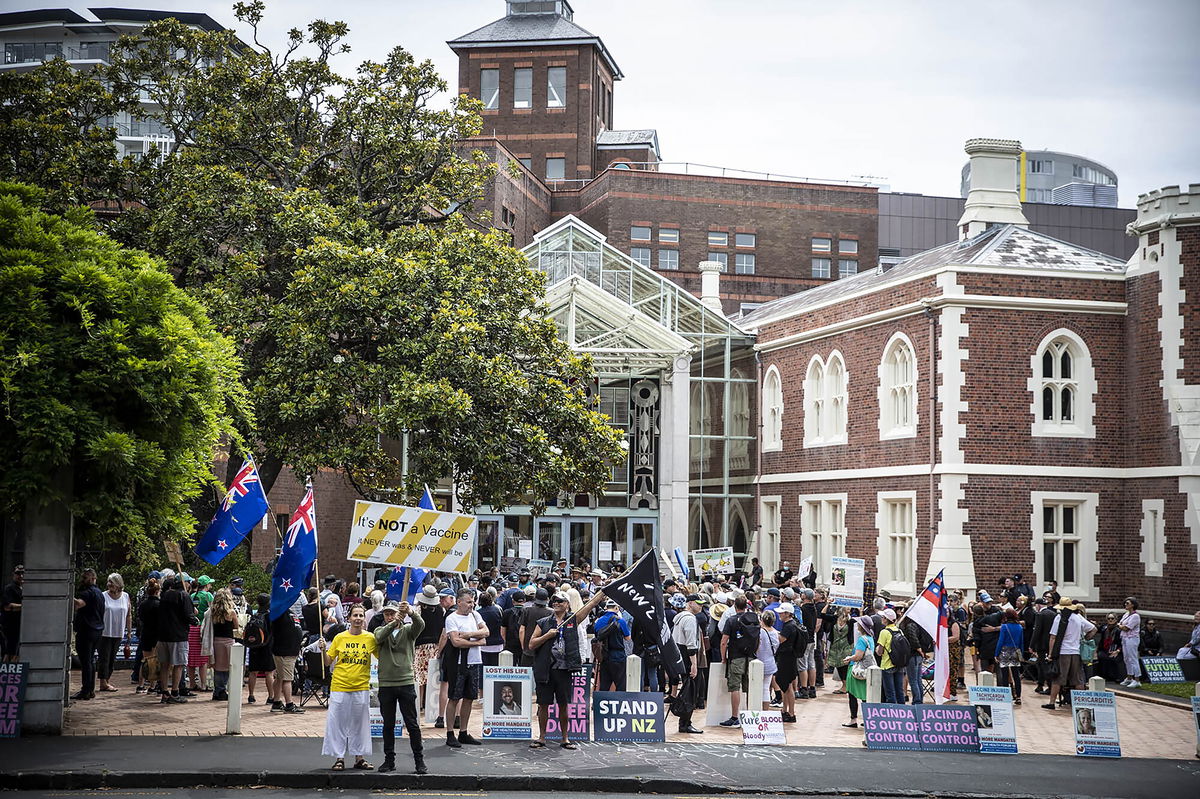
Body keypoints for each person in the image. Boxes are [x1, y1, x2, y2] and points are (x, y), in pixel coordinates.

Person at [528, 590, 603, 750]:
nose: (556, 603)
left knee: (564, 705)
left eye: (560, 601)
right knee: (543, 704)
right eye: (554, 600)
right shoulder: (543, 622)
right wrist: (546, 636)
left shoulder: (572, 620)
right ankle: (542, 737)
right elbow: (531, 644)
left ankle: (565, 738)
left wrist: (604, 592)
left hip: (564, 670)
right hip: (545, 670)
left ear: (567, 604)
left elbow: (591, 605)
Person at [322, 603, 377, 770]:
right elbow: (327, 662)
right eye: (355, 615)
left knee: (359, 724)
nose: (358, 619)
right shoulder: (340, 638)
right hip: (339, 686)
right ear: (349, 618)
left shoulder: (370, 638)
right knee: (338, 723)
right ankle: (339, 758)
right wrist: (323, 649)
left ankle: (359, 758)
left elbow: (383, 656)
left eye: (361, 616)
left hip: (361, 687)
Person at [374, 599, 426, 774]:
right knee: (388, 724)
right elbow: (379, 637)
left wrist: (410, 612)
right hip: (387, 683)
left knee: (412, 724)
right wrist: (394, 622)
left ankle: (419, 760)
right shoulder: (380, 630)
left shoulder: (408, 631)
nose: (390, 616)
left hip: (405, 682)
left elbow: (421, 624)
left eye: (393, 613)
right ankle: (389, 760)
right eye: (387, 614)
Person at [441, 588, 488, 748]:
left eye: (473, 601)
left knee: (469, 697)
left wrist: (466, 635)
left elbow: (486, 632)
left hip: (474, 662)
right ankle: (449, 733)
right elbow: (455, 642)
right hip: (458, 663)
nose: (472, 604)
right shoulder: (452, 618)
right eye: (468, 602)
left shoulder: (475, 615)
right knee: (454, 697)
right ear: (459, 602)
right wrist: (477, 641)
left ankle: (463, 731)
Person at [1042, 599, 1096, 711]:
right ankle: (1080, 703)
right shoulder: (1078, 617)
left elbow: (1053, 637)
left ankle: (1052, 702)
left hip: (1063, 652)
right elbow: (1093, 629)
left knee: (1058, 678)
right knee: (1078, 679)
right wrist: (1084, 639)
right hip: (1076, 652)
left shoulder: (1059, 618)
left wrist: (1050, 654)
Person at [718, 595, 759, 726]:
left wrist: (723, 657)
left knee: (735, 687)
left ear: (734, 606)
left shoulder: (731, 620)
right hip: (751, 657)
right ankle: (749, 716)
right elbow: (758, 639)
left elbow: (724, 641)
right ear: (746, 606)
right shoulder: (754, 619)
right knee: (749, 688)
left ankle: (735, 716)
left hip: (736, 657)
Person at [669, 594, 703, 734]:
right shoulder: (689, 619)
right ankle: (685, 723)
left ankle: (684, 722)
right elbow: (690, 644)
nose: (701, 606)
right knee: (690, 691)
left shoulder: (679, 618)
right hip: (687, 656)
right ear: (689, 603)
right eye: (698, 603)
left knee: (688, 690)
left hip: (680, 655)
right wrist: (694, 664)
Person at [156, 575, 193, 703]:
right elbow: (189, 615)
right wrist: (196, 619)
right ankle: (175, 692)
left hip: (163, 635)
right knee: (179, 664)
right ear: (185, 583)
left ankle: (164, 691)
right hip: (178, 635)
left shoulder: (165, 595)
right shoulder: (184, 595)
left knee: (164, 665)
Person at [71, 568, 105, 701]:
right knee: (90, 660)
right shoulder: (99, 593)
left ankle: (86, 690)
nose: (82, 580)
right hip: (97, 630)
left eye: (85, 578)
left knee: (86, 662)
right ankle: (90, 690)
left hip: (87, 630)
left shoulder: (88, 593)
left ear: (92, 578)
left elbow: (79, 604)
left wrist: (66, 593)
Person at [96, 573, 131, 693]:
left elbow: (128, 615)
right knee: (104, 658)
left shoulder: (125, 596)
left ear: (118, 584)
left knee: (112, 658)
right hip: (104, 632)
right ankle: (103, 682)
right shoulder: (103, 596)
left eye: (111, 582)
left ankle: (107, 680)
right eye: (108, 581)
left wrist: (129, 632)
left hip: (118, 632)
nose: (109, 584)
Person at [270, 600, 305, 713]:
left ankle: (276, 702)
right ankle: (289, 704)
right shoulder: (278, 614)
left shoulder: (290, 613)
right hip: (285, 651)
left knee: (280, 677)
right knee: (287, 679)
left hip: (291, 650)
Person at [841, 615, 875, 728]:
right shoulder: (871, 638)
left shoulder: (861, 639)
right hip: (867, 670)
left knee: (852, 694)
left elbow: (858, 656)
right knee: (865, 696)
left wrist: (849, 658)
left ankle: (853, 719)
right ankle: (867, 719)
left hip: (857, 670)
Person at [774, 602, 805, 722]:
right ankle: (785, 710)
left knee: (787, 686)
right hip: (789, 658)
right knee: (785, 686)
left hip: (787, 658)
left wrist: (772, 631)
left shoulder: (789, 626)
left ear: (787, 614)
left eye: (781, 613)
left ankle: (791, 713)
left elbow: (781, 639)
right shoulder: (792, 624)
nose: (780, 615)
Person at [594, 598, 632, 691]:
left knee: (604, 684)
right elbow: (628, 638)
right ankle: (619, 703)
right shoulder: (621, 621)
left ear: (606, 607)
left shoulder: (598, 621)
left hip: (604, 656)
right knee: (621, 684)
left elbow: (596, 636)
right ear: (616, 608)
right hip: (618, 656)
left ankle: (602, 703)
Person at [245, 593, 276, 704]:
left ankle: (251, 696)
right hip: (267, 646)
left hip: (254, 647)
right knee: (269, 673)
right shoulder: (270, 615)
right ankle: (271, 696)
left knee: (253, 672)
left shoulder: (254, 615)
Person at [206, 588, 237, 701]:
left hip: (216, 642)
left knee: (218, 667)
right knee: (228, 667)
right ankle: (223, 689)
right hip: (228, 642)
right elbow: (236, 626)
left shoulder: (213, 612)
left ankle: (218, 689)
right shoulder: (231, 612)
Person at [900, 612, 933, 705]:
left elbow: (913, 639)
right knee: (917, 679)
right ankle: (919, 700)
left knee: (913, 680)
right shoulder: (918, 625)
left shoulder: (910, 625)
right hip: (917, 656)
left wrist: (920, 650)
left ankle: (917, 701)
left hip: (913, 656)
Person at [876, 608, 908, 704]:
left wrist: (877, 649)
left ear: (886, 619)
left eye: (883, 617)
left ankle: (891, 714)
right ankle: (902, 712)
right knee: (899, 691)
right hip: (899, 664)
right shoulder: (899, 631)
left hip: (887, 665)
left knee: (890, 693)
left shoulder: (884, 632)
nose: (882, 618)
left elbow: (879, 652)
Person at [995, 608, 1024, 704]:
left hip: (1005, 651)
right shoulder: (1019, 627)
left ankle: (1006, 696)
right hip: (1015, 651)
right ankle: (1018, 696)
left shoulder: (1004, 627)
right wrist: (1021, 653)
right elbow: (1021, 642)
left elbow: (1000, 641)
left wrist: (996, 653)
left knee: (1005, 675)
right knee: (1016, 675)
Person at [1030, 597, 1056, 694]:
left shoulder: (1040, 615)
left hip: (1041, 644)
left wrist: (1031, 645)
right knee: (1041, 664)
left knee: (1044, 666)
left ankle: (1049, 686)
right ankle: (1040, 685)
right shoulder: (1054, 614)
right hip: (1050, 644)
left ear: (1038, 605)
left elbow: (1037, 631)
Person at [757, 609, 780, 710]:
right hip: (771, 663)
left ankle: (757, 710)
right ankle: (765, 711)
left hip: (759, 662)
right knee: (766, 688)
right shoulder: (776, 633)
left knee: (757, 688)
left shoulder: (760, 632)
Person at [1118, 597, 1142, 688]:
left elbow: (1126, 628)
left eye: (1127, 603)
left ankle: (1137, 679)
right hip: (1124, 638)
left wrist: (1120, 626)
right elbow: (1121, 624)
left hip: (1132, 639)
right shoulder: (1126, 614)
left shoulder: (1136, 616)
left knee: (1133, 658)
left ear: (1133, 605)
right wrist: (1121, 626)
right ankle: (1129, 677)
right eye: (1125, 603)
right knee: (1126, 658)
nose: (1125, 605)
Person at [2, 565, 24, 663]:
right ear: (13, 575)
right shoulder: (9, 588)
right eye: (18, 573)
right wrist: (26, 606)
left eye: (23, 573)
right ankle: (5, 674)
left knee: (17, 652)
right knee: (10, 652)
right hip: (10, 625)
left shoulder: (24, 588)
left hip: (20, 625)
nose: (21, 576)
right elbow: (7, 606)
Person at [477, 591, 505, 667]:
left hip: (484, 645)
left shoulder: (478, 613)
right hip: (497, 644)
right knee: (495, 671)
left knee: (484, 671)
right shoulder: (498, 610)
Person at [1095, 613, 1122, 682]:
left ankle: (1115, 677)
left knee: (1113, 658)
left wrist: (1118, 650)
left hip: (1116, 650)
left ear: (1116, 620)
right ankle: (1103, 676)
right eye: (1109, 618)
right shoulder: (1104, 629)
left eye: (1112, 618)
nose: (1110, 620)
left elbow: (1121, 643)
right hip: (1105, 649)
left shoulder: (1118, 630)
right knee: (1101, 656)